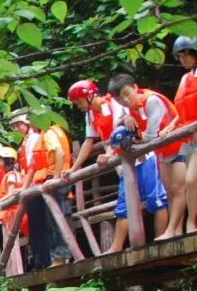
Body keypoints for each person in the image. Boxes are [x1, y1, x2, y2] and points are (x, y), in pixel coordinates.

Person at [67, 79, 167, 254]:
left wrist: (109, 153)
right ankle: (117, 246)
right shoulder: (90, 115)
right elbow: (89, 141)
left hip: (143, 155)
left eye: (78, 101)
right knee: (125, 203)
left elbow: (122, 133)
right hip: (124, 161)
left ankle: (161, 240)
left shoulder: (116, 104)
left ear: (89, 96)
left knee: (155, 199)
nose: (78, 106)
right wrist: (73, 168)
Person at [108, 73, 186, 241]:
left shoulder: (151, 101)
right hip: (163, 151)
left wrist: (134, 138)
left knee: (179, 189)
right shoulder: (131, 110)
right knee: (171, 193)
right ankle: (176, 232)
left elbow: (151, 136)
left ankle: (175, 229)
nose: (126, 101)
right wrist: (125, 118)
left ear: (135, 87)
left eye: (127, 94)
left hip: (181, 144)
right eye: (121, 100)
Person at [10, 111, 71, 267]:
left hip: (51, 180)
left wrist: (55, 178)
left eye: (19, 124)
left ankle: (59, 257)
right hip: (42, 182)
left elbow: (59, 152)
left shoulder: (47, 134)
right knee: (48, 223)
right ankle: (45, 260)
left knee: (55, 221)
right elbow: (32, 166)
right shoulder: (35, 138)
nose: (18, 129)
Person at [165, 36, 197, 236]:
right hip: (188, 137)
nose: (181, 59)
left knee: (191, 180)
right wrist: (171, 125)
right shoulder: (186, 78)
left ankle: (191, 223)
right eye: (179, 56)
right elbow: (181, 109)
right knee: (189, 182)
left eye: (183, 54)